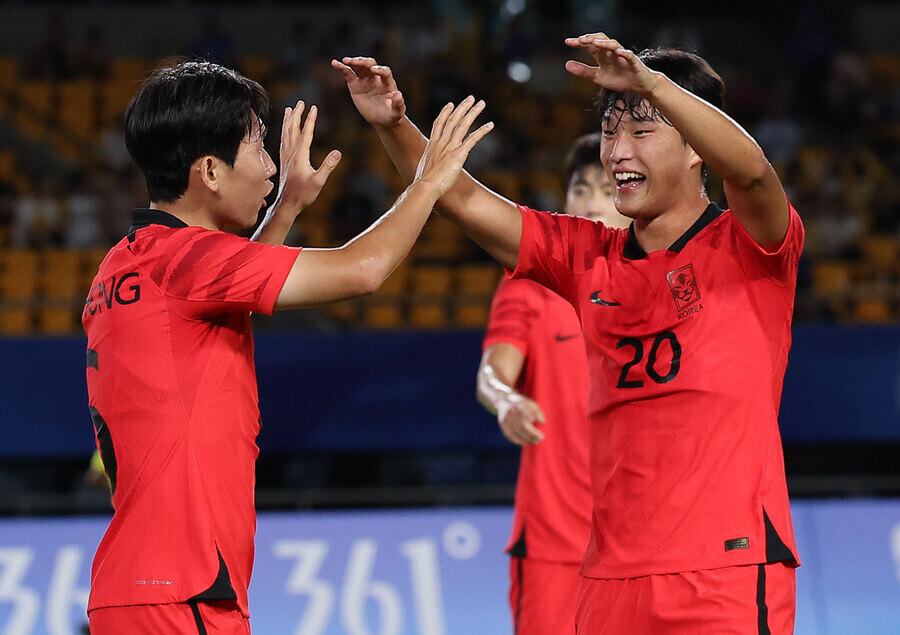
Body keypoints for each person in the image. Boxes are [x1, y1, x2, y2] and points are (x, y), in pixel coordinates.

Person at [335, 33, 802, 633]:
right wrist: (393, 125)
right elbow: (461, 200)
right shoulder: (587, 257)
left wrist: (653, 84)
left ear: (695, 147)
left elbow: (754, 172)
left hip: (726, 573)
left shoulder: (750, 246)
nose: (617, 151)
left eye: (642, 131)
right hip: (607, 582)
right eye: (610, 131)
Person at [83, 60, 492, 633]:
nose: (272, 167)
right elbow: (362, 270)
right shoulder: (185, 262)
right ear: (210, 171)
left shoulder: (128, 262)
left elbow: (226, 298)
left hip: (141, 587)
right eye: (257, 147)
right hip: (183, 589)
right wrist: (429, 180)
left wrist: (287, 208)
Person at [476, 133, 628, 634]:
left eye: (607, 190)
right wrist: (506, 401)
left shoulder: (660, 283)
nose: (593, 204)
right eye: (581, 190)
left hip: (639, 541)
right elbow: (492, 373)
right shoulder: (530, 283)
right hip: (554, 543)